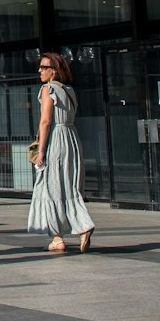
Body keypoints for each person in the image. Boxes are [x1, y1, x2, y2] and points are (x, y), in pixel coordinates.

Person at [28, 53, 95, 254]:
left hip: (56, 140)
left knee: (51, 187)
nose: (39, 70)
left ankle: (75, 229)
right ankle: (63, 235)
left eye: (44, 67)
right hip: (71, 138)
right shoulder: (69, 91)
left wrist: (41, 151)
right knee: (69, 186)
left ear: (54, 71)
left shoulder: (48, 89)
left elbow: (46, 121)